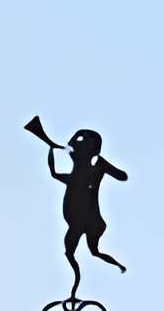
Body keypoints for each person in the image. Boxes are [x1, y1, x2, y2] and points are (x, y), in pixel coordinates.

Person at [25, 116, 128, 279]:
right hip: (77, 221)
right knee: (73, 253)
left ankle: (116, 266)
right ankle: (75, 286)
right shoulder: (75, 170)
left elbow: (122, 176)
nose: (80, 144)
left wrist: (103, 167)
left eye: (87, 142)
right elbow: (54, 172)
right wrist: (51, 149)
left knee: (93, 251)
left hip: (90, 220)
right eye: (81, 140)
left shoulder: (96, 166)